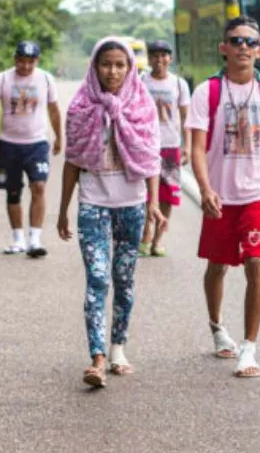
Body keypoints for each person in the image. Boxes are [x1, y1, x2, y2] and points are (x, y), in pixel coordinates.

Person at [57, 37, 167, 388]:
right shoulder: (80, 106)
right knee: (98, 278)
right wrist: (62, 210)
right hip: (92, 205)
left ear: (130, 67)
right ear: (94, 66)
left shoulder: (142, 104)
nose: (113, 71)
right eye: (107, 64)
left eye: (121, 64)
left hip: (131, 206)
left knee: (123, 280)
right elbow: (72, 162)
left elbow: (151, 159)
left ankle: (118, 347)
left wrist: (153, 204)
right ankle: (97, 358)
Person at [185, 16, 260, 378]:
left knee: (256, 265)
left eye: (250, 42)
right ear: (223, 48)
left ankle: (249, 349)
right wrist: (205, 189)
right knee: (217, 267)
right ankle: (216, 328)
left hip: (257, 194)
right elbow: (196, 148)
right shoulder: (206, 92)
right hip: (220, 197)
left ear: (259, 50)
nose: (243, 47)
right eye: (235, 40)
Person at [0, 41, 63, 258]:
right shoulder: (2, 79)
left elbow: (54, 109)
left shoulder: (46, 78)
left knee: (38, 186)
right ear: (14, 58)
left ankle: (35, 239)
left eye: (31, 61)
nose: (26, 66)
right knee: (13, 192)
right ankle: (18, 238)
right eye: (22, 61)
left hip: (37, 143)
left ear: (37, 61)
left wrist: (59, 137)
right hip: (9, 144)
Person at [138, 39, 191, 257]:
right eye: (155, 56)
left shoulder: (178, 84)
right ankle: (145, 236)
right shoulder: (141, 81)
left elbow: (186, 116)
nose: (159, 60)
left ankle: (158, 241)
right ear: (149, 59)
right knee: (144, 195)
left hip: (170, 146)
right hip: (146, 146)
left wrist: (186, 145)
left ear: (170, 58)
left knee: (168, 196)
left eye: (164, 55)